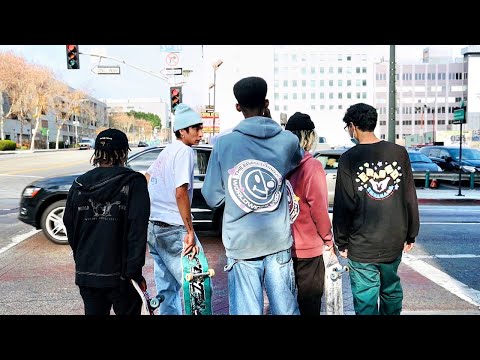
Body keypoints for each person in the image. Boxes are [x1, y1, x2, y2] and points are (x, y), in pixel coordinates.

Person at [201, 76, 303, 315]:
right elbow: (296, 161)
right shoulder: (288, 140)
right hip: (277, 238)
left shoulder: (224, 144)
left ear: (238, 106)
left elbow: (212, 196)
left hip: (241, 241)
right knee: (286, 309)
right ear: (266, 102)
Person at [332, 103, 420, 315]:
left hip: (361, 243)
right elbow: (409, 196)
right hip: (393, 239)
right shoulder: (399, 153)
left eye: (348, 128)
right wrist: (411, 234)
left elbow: (344, 203)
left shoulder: (349, 158)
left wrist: (341, 240)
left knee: (365, 298)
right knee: (391, 290)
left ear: (353, 126)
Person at [63, 128, 150, 315]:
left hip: (88, 273)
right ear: (123, 152)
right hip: (122, 276)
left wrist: (81, 259)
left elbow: (70, 226)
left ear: (97, 153)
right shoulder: (134, 182)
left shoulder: (79, 184)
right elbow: (137, 231)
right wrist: (134, 273)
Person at [145, 103, 204, 315]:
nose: (200, 134)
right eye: (196, 129)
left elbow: (147, 177)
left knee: (167, 288)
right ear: (182, 131)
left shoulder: (167, 150)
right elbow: (181, 192)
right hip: (174, 229)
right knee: (198, 287)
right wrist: (190, 231)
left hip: (154, 228)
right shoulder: (185, 151)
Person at [284, 112, 334, 316]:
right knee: (310, 304)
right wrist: (328, 239)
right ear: (309, 137)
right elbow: (319, 210)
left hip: (282, 246)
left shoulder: (279, 164)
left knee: (285, 305)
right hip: (308, 249)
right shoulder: (312, 167)